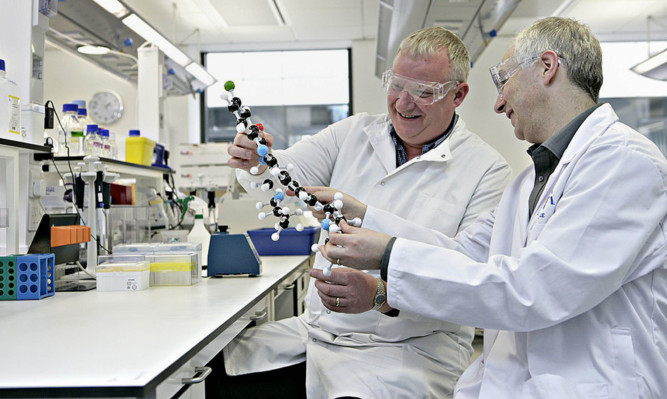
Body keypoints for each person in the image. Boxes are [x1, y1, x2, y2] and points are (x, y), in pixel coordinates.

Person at [313, 17, 667, 399]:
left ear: (547, 67)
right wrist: (369, 224)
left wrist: (387, 253)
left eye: (503, 80)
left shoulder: (622, 162)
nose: (498, 103)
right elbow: (464, 252)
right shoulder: (530, 181)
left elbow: (533, 290)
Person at [207, 27, 513, 398]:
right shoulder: (353, 133)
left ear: (458, 94)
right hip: (316, 333)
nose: (403, 103)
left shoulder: (486, 169)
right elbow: (284, 181)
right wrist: (257, 163)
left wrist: (381, 295)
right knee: (208, 369)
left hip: (410, 350)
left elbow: (471, 278)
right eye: (397, 85)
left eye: (423, 92)